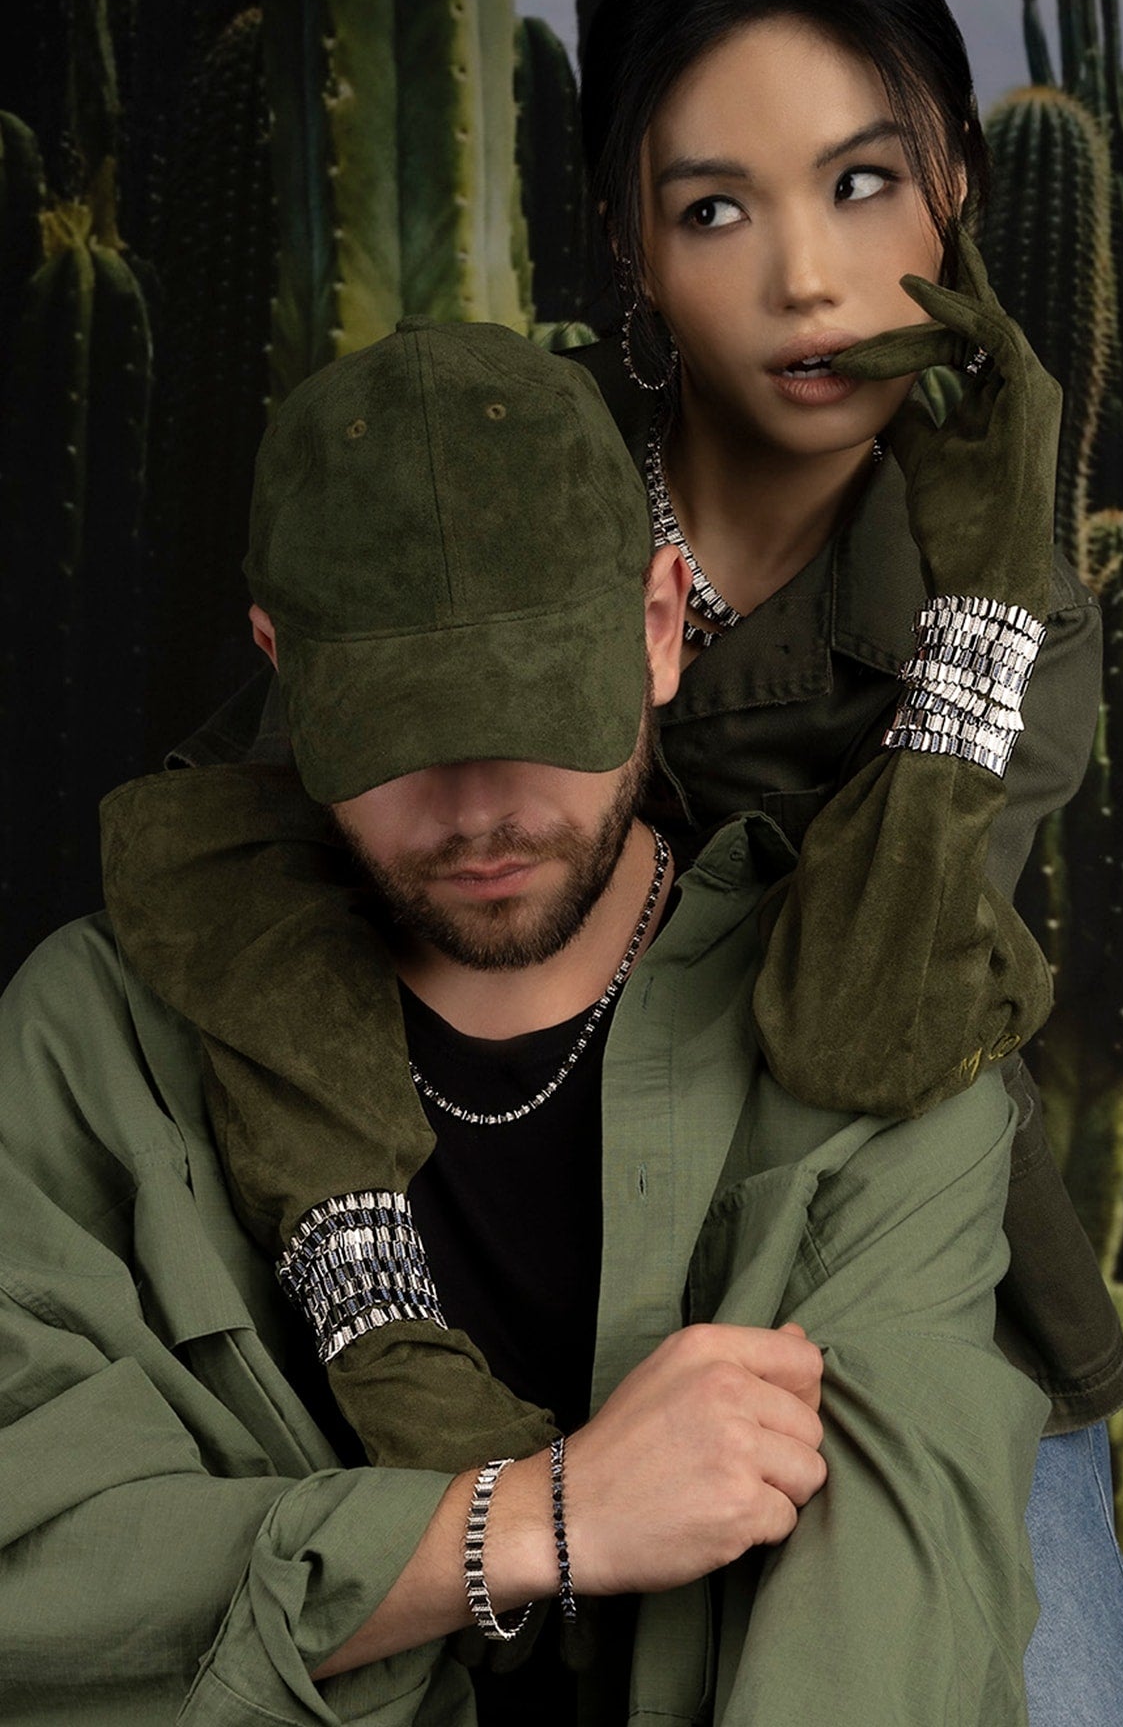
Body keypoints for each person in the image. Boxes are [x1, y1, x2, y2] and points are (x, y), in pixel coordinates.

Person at [95, 0, 1123, 1720]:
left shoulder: (1006, 605)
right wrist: (369, 1291)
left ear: (959, 189)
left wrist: (979, 609)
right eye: (716, 210)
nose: (808, 281)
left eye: (863, 182)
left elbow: (868, 1029)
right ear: (633, 248)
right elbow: (238, 845)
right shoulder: (504, 460)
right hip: (498, 1264)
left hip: (886, 1312)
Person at [2, 317, 1049, 1723]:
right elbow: (38, 1585)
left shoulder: (872, 1052)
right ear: (282, 668)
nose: (480, 809)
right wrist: (532, 1523)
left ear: (659, 628)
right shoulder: (93, 1044)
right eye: (398, 735)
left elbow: (887, 1628)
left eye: (537, 714)